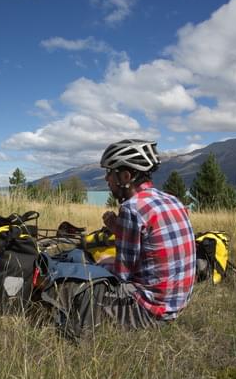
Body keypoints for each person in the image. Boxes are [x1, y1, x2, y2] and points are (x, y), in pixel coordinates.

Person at [52, 139, 196, 337]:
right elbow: (150, 241)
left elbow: (122, 275)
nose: (106, 179)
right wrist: (116, 227)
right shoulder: (171, 200)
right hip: (176, 304)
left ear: (126, 176)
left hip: (149, 312)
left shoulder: (132, 208)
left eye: (109, 172)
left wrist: (104, 262)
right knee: (83, 259)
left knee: (77, 265)